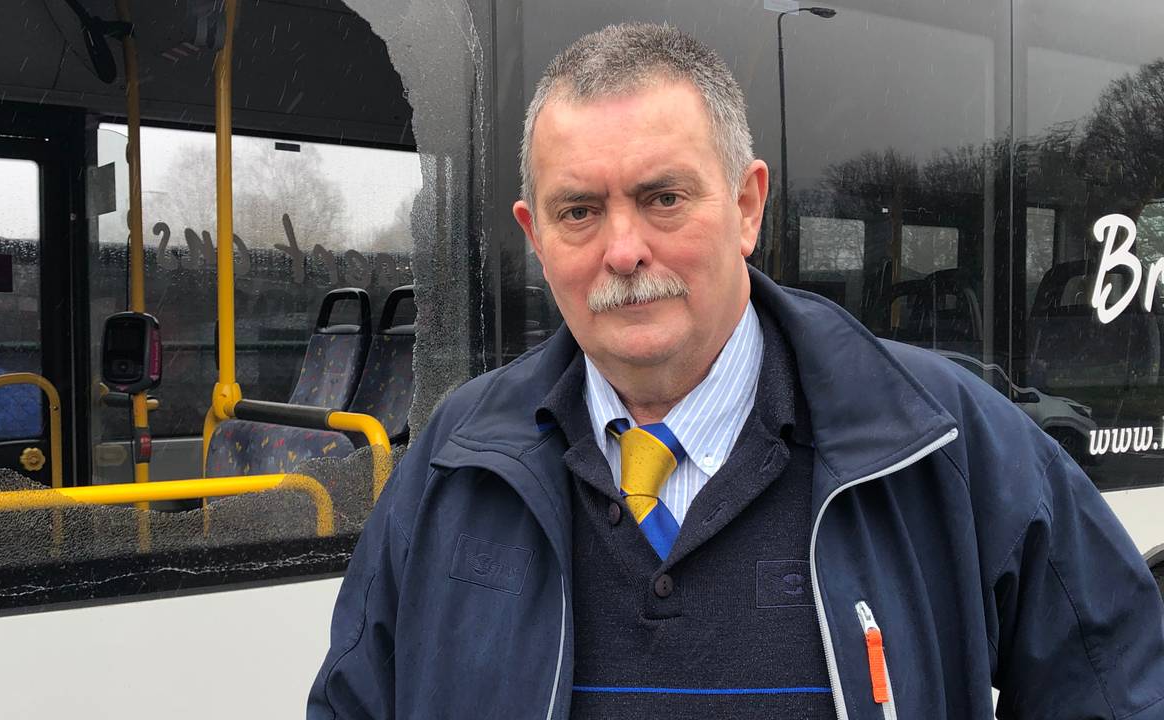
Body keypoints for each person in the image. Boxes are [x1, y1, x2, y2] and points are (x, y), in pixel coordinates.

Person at [308, 22, 1164, 719]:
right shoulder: (451, 461)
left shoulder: (949, 441)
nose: (625, 250)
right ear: (535, 237)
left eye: (663, 198)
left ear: (748, 206)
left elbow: (1118, 684)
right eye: (580, 211)